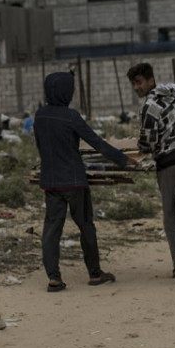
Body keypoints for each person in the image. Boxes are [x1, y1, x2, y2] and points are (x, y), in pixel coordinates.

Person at [34, 72, 131, 292]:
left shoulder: (40, 116)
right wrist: (123, 159)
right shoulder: (71, 116)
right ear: (65, 92)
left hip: (50, 181)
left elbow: (41, 147)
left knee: (51, 228)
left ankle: (54, 278)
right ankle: (95, 273)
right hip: (75, 181)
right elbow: (96, 142)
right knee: (86, 225)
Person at [127, 63, 175, 284]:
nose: (136, 88)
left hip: (167, 164)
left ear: (150, 80)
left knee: (170, 213)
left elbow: (148, 143)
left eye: (139, 82)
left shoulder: (149, 106)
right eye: (133, 84)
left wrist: (138, 146)